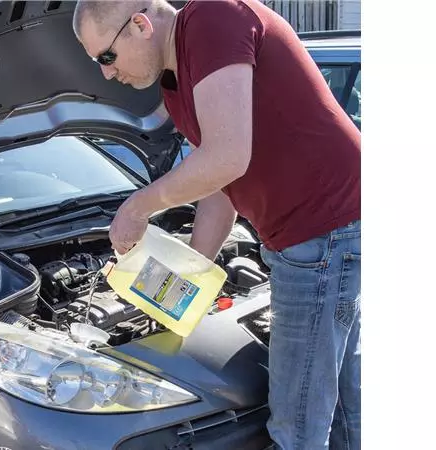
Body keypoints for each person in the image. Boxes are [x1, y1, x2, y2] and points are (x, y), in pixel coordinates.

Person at [72, 1, 361, 448]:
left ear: (141, 24)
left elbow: (226, 157)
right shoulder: (176, 85)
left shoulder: (213, 18)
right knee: (344, 407)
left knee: (296, 426)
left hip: (324, 234)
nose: (106, 75)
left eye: (105, 58)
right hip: (322, 235)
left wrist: (137, 207)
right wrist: (179, 287)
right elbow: (218, 197)